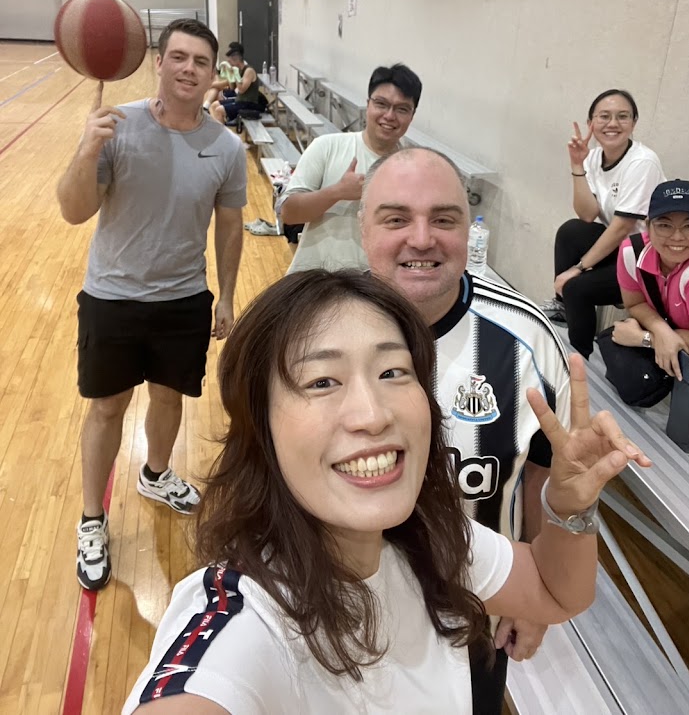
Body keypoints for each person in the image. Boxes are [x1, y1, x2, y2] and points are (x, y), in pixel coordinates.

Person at [123, 270, 650, 715]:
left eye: (393, 371)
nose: (373, 414)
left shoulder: (429, 538)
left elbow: (557, 593)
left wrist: (569, 507)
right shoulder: (244, 621)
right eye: (322, 382)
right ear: (260, 428)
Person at [359, 147, 571, 713]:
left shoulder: (528, 343)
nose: (422, 238)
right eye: (397, 218)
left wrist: (534, 598)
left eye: (444, 219)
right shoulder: (317, 335)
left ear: (468, 230)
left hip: (477, 620)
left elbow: (544, 479)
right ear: (363, 229)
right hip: (347, 624)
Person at [57, 18, 248, 592]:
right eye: (180, 57)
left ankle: (156, 473)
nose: (190, 69)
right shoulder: (117, 126)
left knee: (170, 399)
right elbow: (73, 210)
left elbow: (231, 224)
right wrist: (88, 149)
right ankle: (93, 518)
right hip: (112, 297)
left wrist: (228, 298)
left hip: (184, 299)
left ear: (215, 75)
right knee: (108, 410)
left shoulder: (225, 147)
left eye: (202, 62)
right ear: (159, 63)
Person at [543, 89, 665, 358]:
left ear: (633, 123)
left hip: (646, 260)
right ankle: (565, 308)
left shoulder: (642, 162)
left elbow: (622, 226)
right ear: (591, 124)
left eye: (623, 116)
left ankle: (580, 358)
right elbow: (587, 214)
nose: (613, 124)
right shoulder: (594, 157)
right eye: (604, 116)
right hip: (621, 249)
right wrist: (578, 165)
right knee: (571, 231)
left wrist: (577, 268)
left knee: (576, 288)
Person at [278, 63, 422, 273]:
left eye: (402, 109)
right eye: (381, 104)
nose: (390, 116)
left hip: (373, 291)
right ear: (368, 105)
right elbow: (289, 214)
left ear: (412, 116)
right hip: (314, 283)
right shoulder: (327, 146)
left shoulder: (413, 171)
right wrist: (337, 192)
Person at [613, 179, 689, 466]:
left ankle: (687, 453)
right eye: (665, 224)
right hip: (678, 330)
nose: (677, 237)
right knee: (626, 382)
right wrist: (659, 329)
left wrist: (644, 338)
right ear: (647, 225)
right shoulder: (631, 251)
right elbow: (634, 304)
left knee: (679, 441)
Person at [205, 42, 264, 128]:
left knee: (219, 110)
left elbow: (241, 89)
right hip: (239, 100)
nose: (228, 62)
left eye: (230, 60)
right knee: (214, 105)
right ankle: (221, 131)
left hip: (248, 103)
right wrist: (231, 75)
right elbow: (232, 88)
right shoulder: (238, 70)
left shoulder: (249, 71)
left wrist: (235, 74)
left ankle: (222, 136)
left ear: (236, 59)